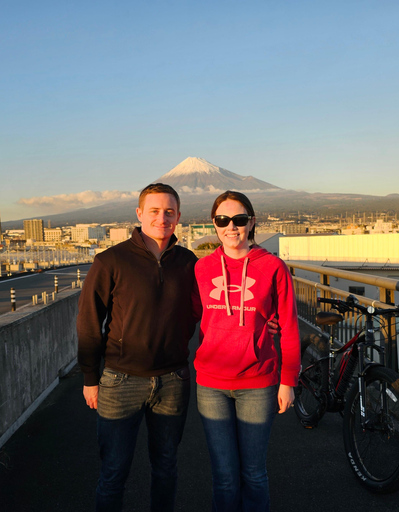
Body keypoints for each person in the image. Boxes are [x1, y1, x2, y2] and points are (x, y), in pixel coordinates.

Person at [77, 183, 199, 511]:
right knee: (114, 471)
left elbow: (203, 311)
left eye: (169, 212)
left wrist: (265, 319)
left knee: (166, 467)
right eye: (155, 211)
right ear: (139, 214)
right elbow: (89, 321)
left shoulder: (189, 263)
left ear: (178, 217)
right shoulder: (110, 261)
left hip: (173, 379)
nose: (163, 218)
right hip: (120, 381)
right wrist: (90, 376)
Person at [194, 190, 301, 512]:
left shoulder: (273, 267)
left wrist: (288, 380)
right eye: (222, 220)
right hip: (211, 384)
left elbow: (290, 327)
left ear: (252, 222)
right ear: (214, 224)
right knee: (224, 476)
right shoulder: (201, 269)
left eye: (239, 219)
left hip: (258, 382)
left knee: (254, 474)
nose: (231, 227)